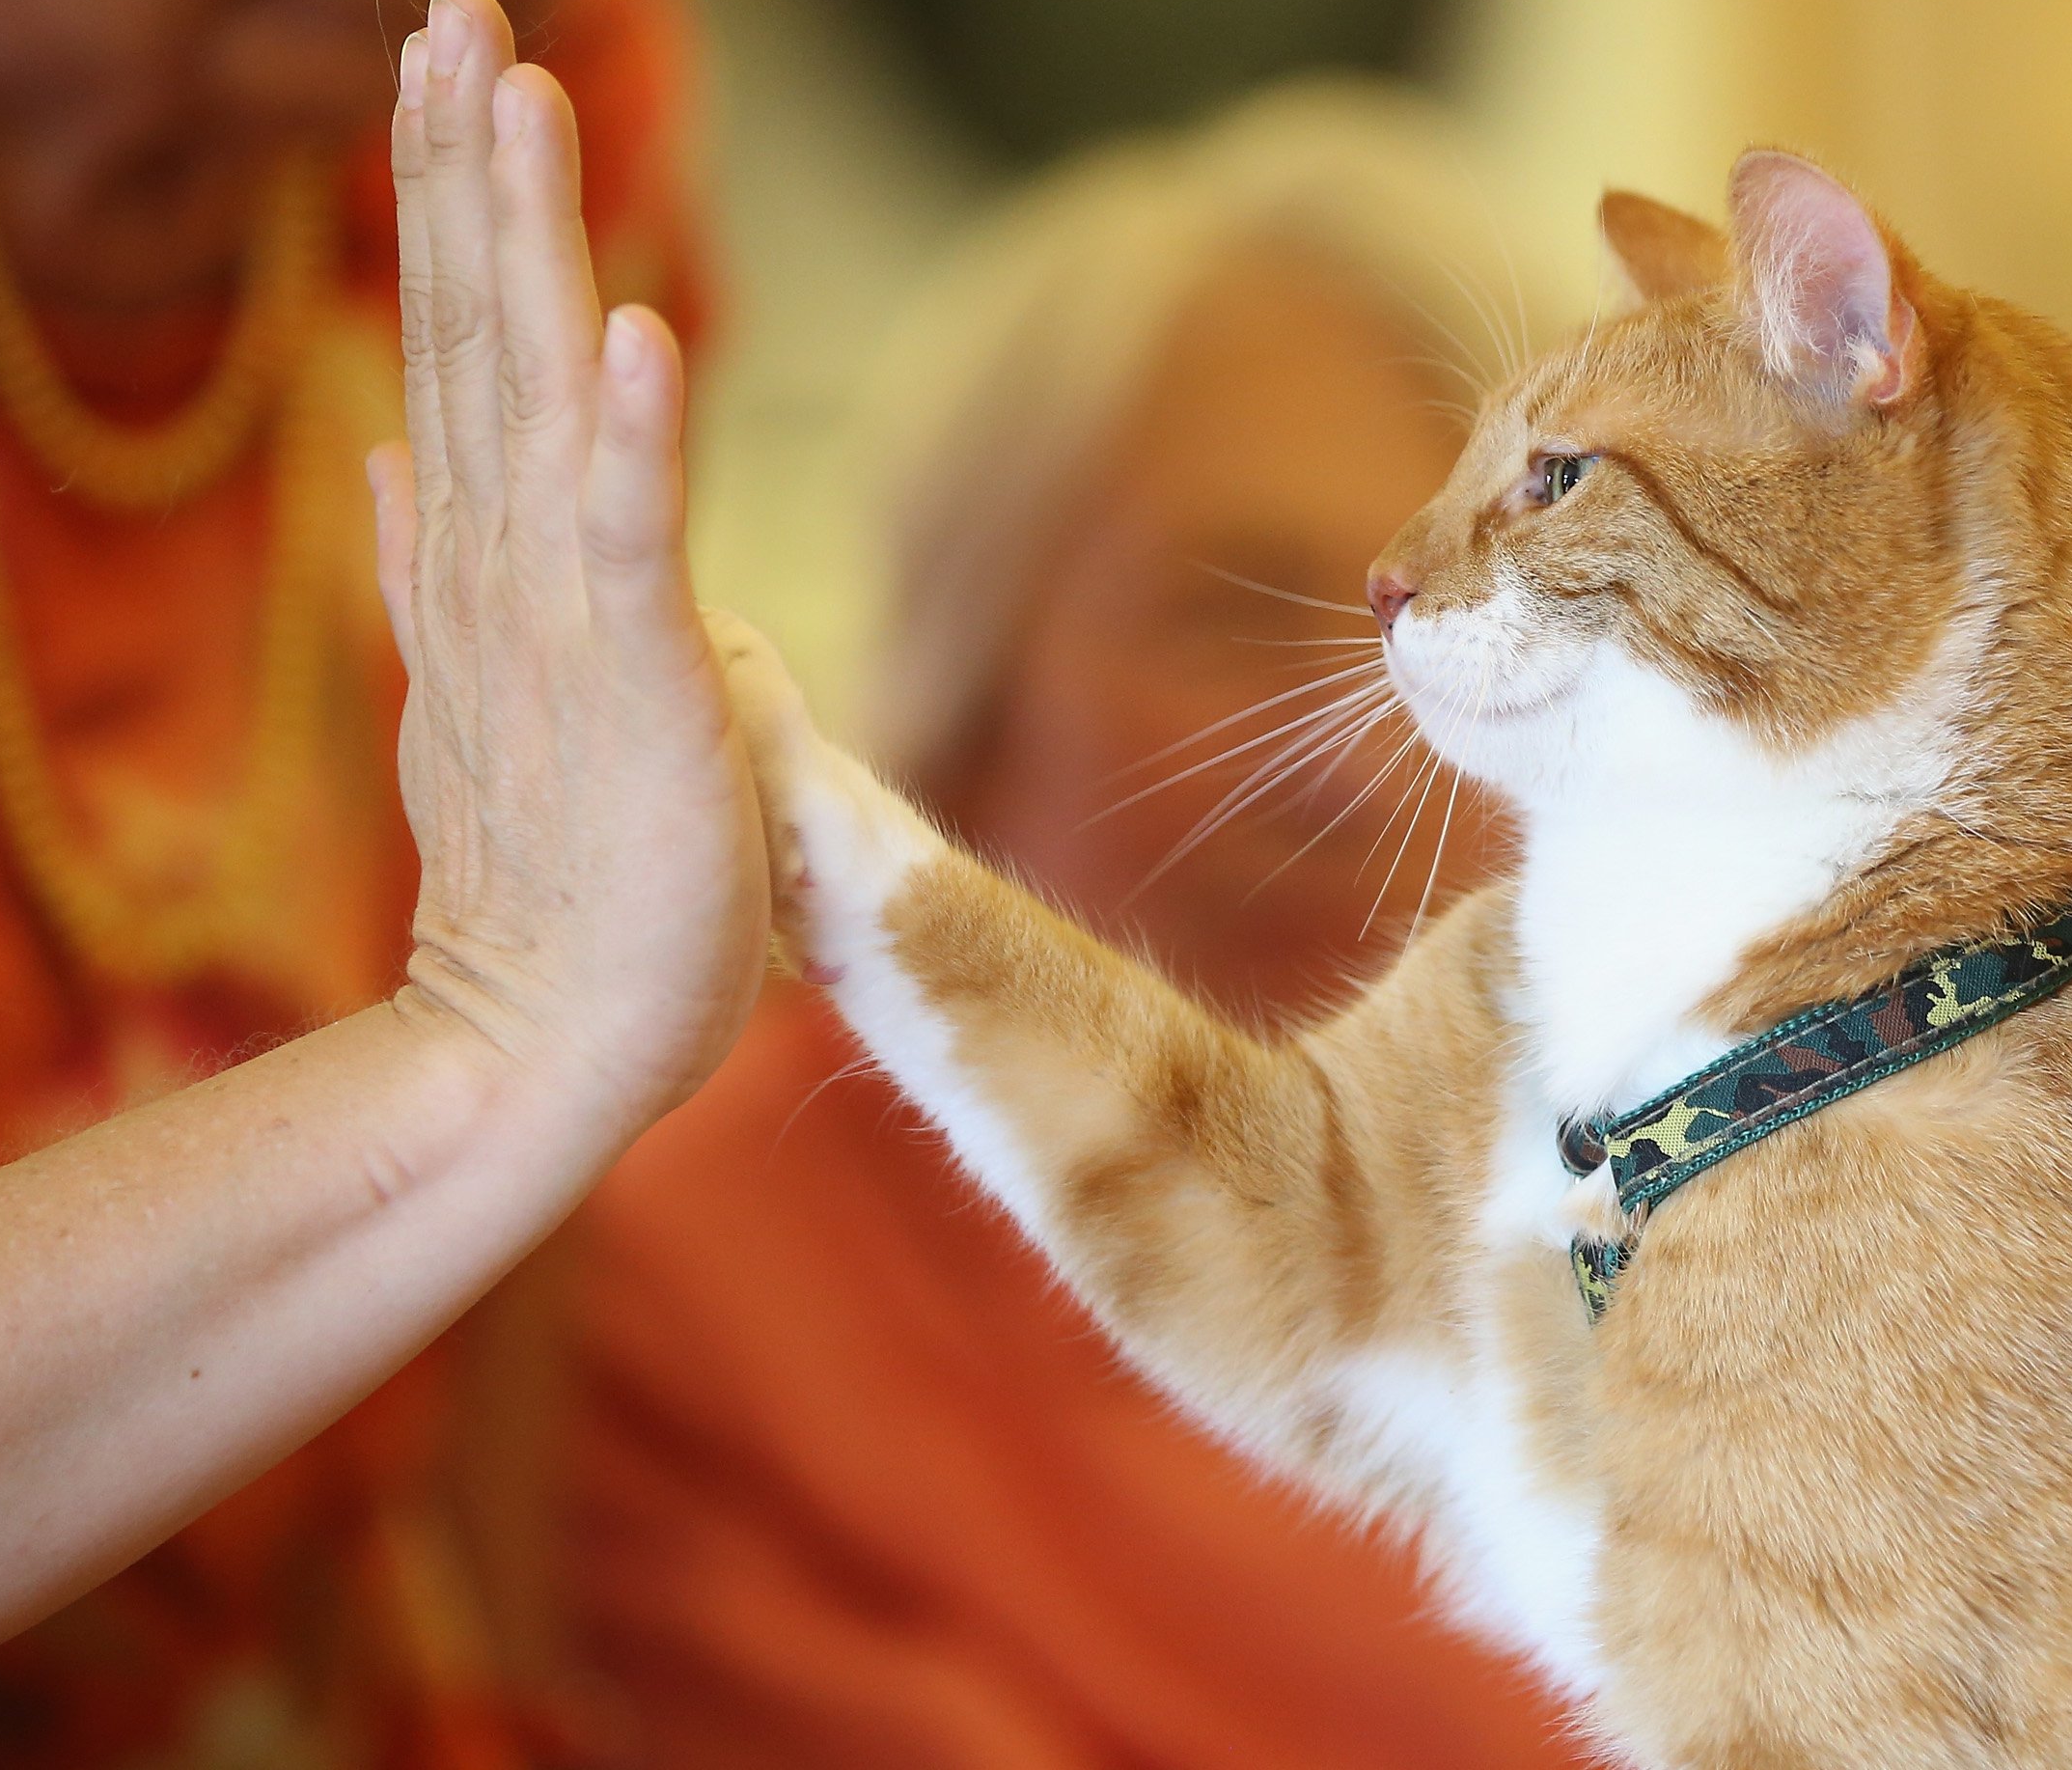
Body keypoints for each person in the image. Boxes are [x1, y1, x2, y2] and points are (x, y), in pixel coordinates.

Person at [0, 0, 745, 1757]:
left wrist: (494, 1694)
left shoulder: (516, 89)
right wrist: (500, 1050)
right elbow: (547, 1015)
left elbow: (563, 1042)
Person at [558, 87, 1602, 1767]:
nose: (1354, 771)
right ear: (957, 701)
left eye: (1492, 640)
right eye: (1233, 615)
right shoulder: (712, 1289)